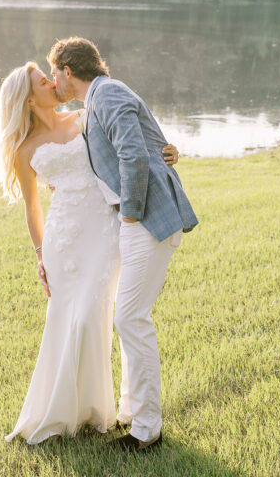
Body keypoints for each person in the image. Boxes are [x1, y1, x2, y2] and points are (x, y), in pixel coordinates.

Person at [0, 60, 180, 445]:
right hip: (64, 238)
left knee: (95, 315)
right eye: (42, 82)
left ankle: (101, 409)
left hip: (105, 228)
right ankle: (67, 410)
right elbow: (32, 207)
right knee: (69, 317)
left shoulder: (83, 115)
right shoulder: (23, 148)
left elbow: (126, 141)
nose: (52, 83)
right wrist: (39, 254)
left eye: (50, 77)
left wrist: (162, 150)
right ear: (28, 100)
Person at [48, 37, 198, 453]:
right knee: (129, 318)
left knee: (131, 319)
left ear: (68, 70)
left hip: (146, 218)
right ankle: (133, 413)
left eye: (53, 72)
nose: (51, 81)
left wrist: (130, 211)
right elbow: (151, 142)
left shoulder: (108, 93)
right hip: (137, 220)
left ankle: (146, 431)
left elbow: (133, 154)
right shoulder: (97, 99)